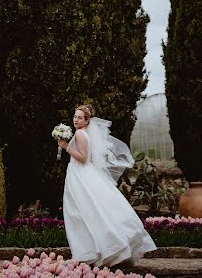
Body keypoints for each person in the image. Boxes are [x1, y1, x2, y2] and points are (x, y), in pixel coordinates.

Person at [58, 104, 156, 268]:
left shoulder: (81, 135)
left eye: (80, 117)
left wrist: (66, 146)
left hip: (80, 174)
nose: (76, 120)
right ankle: (96, 250)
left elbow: (83, 158)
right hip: (80, 174)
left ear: (87, 120)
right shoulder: (83, 133)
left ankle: (92, 251)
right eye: (75, 116)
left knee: (81, 211)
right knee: (89, 210)